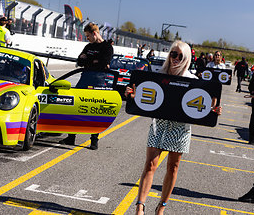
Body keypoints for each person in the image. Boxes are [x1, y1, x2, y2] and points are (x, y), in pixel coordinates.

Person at [125, 41, 222, 214]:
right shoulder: (157, 74)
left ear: (186, 59)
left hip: (181, 128)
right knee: (150, 164)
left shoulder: (193, 80)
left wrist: (214, 110)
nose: (176, 58)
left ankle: (161, 208)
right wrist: (131, 95)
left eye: (180, 56)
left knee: (173, 167)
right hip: (159, 124)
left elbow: (206, 105)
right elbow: (140, 95)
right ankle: (140, 206)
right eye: (173, 54)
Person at [59, 22, 113, 150]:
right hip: (84, 78)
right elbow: (79, 61)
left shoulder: (107, 47)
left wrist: (89, 60)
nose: (87, 38)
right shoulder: (88, 46)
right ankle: (71, 137)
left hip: (99, 81)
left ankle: (94, 140)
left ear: (95, 33)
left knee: (96, 110)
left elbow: (103, 63)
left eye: (88, 36)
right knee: (75, 106)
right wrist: (93, 60)